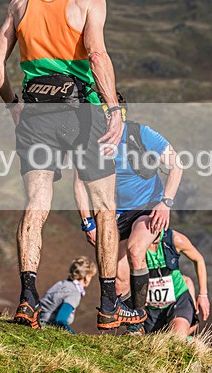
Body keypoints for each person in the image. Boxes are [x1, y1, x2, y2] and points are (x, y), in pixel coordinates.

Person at [0, 0, 146, 331]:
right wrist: (114, 109)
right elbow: (96, 55)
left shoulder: (20, 2)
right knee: (105, 210)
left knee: (36, 206)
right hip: (82, 116)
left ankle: (27, 300)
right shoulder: (90, 1)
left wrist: (15, 107)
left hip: (37, 115)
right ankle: (110, 306)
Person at [73, 95, 183, 315]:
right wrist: (88, 223)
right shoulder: (89, 142)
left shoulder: (140, 134)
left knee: (135, 250)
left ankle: (140, 316)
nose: (103, 120)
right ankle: (128, 324)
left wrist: (165, 203)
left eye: (108, 114)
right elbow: (79, 183)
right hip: (113, 213)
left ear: (119, 114)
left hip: (148, 207)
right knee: (118, 279)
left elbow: (177, 164)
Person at [142, 229, 210, 340]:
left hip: (178, 299)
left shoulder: (176, 240)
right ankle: (190, 342)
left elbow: (199, 259)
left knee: (177, 339)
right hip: (150, 308)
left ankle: (186, 338)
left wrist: (203, 295)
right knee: (153, 343)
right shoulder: (134, 244)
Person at [39, 257, 97, 333]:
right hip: (47, 325)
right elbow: (60, 321)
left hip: (37, 320)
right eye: (90, 276)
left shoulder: (61, 284)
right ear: (86, 277)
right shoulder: (74, 293)